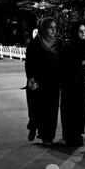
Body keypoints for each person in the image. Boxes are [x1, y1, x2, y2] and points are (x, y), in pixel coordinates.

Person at [25, 17, 62, 146]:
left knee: (51, 110)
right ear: (43, 29)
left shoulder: (59, 44)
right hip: (38, 83)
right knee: (38, 110)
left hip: (53, 83)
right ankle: (33, 127)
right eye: (50, 27)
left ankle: (47, 137)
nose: (53, 30)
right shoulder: (35, 44)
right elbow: (29, 63)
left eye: (55, 27)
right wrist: (31, 79)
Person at [60, 22, 85, 146]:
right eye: (80, 31)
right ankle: (69, 134)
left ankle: (77, 133)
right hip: (69, 83)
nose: (83, 33)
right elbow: (65, 64)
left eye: (84, 30)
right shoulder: (68, 46)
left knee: (80, 110)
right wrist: (83, 62)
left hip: (82, 84)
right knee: (69, 110)